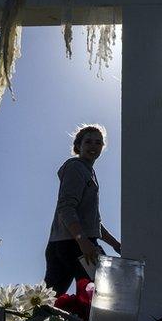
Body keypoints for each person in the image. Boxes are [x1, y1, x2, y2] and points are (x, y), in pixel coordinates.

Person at [43, 124, 122, 296]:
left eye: (98, 142)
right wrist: (83, 241)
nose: (93, 146)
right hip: (74, 245)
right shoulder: (75, 168)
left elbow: (94, 223)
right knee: (103, 292)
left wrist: (116, 244)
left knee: (49, 300)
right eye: (88, 142)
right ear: (78, 146)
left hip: (63, 244)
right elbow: (66, 207)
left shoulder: (89, 172)